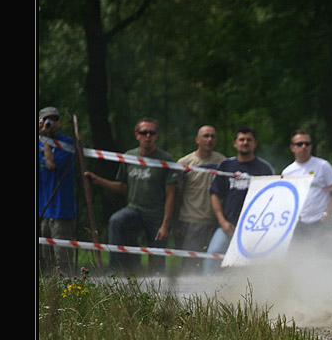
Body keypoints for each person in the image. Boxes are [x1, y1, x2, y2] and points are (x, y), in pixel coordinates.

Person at [84, 118, 178, 275]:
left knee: (157, 264)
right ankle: (114, 272)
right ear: (137, 135)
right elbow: (123, 187)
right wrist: (98, 180)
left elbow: (171, 194)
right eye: (144, 132)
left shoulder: (165, 159)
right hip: (134, 209)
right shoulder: (129, 156)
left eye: (152, 132)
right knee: (116, 221)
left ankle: (160, 287)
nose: (147, 136)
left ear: (156, 136)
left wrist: (165, 224)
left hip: (157, 215)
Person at [204, 127, 275, 274]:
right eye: (241, 139)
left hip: (255, 228)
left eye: (249, 140)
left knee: (254, 268)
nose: (245, 143)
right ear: (235, 143)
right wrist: (222, 221)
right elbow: (215, 193)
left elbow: (273, 197)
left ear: (255, 143)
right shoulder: (226, 165)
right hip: (228, 225)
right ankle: (207, 292)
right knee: (213, 257)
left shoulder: (264, 168)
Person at [175, 125, 226, 274]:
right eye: (205, 136)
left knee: (216, 265)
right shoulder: (184, 163)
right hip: (191, 221)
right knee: (191, 267)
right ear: (197, 139)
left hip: (217, 223)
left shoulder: (223, 162)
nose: (209, 139)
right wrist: (176, 224)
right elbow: (176, 196)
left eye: (212, 136)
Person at [281, 130, 332, 243]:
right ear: (292, 147)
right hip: (298, 225)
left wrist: (326, 215)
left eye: (307, 144)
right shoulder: (287, 172)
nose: (303, 146)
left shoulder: (323, 165)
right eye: (299, 144)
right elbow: (285, 199)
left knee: (325, 257)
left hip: (321, 223)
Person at [38, 106, 77, 275]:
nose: (50, 123)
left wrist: (46, 139)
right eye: (46, 119)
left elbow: (51, 165)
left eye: (54, 119)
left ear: (59, 122)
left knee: (63, 261)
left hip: (62, 210)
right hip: (42, 208)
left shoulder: (66, 143)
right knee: (46, 259)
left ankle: (67, 293)